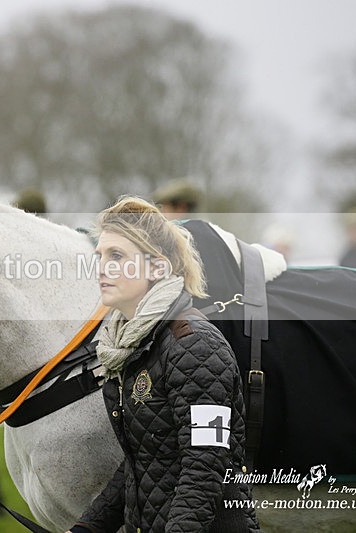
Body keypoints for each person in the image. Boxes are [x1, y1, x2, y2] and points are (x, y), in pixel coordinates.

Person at [69, 197, 259, 532]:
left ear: (157, 268)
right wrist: (86, 528)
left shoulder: (196, 345)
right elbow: (141, 461)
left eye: (116, 256)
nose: (101, 267)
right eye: (100, 256)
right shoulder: (129, 344)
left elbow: (205, 465)